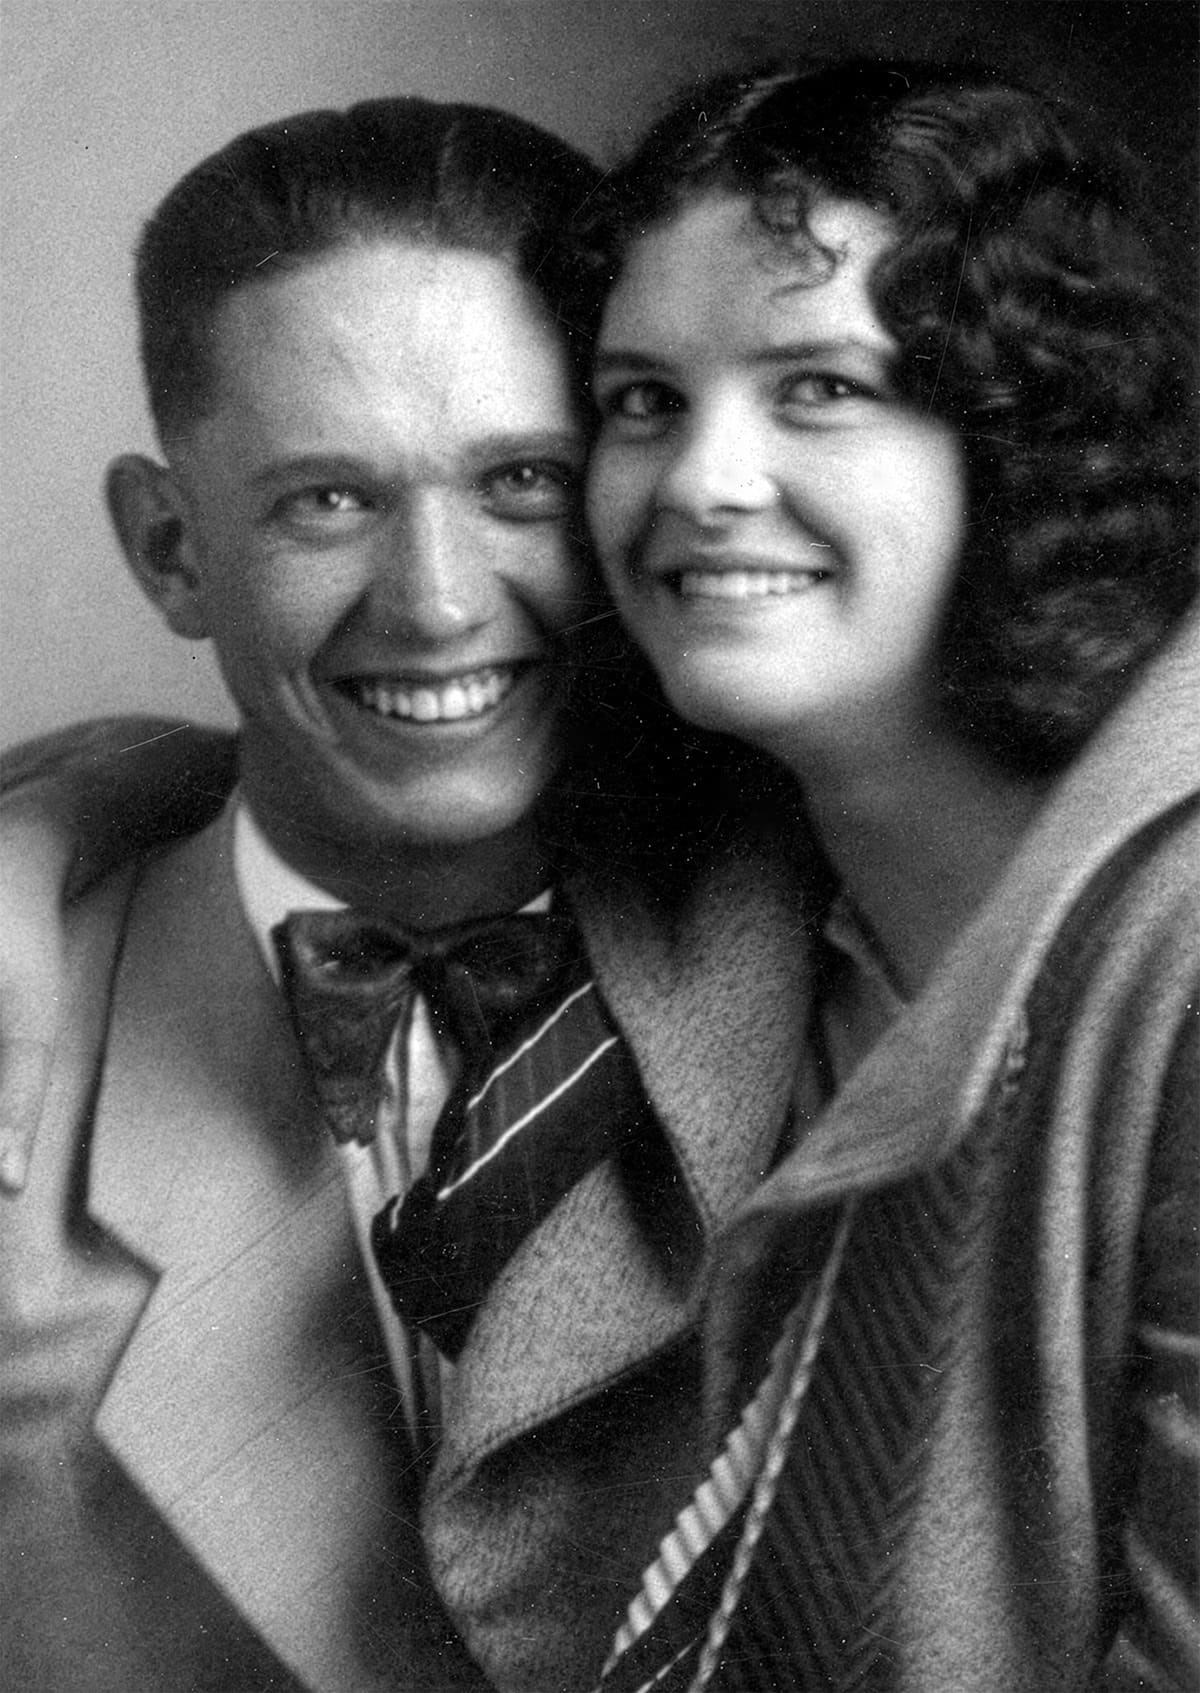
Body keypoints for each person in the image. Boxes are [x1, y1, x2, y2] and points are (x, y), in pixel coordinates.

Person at [0, 98, 811, 1693]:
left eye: (520, 481)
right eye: (328, 500)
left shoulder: (852, 960)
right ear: (171, 549)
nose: (438, 605)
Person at [575, 57, 1199, 1691]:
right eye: (642, 399)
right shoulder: (729, 860)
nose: (701, 479)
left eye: (821, 388)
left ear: (1021, 436)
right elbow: (293, 801)